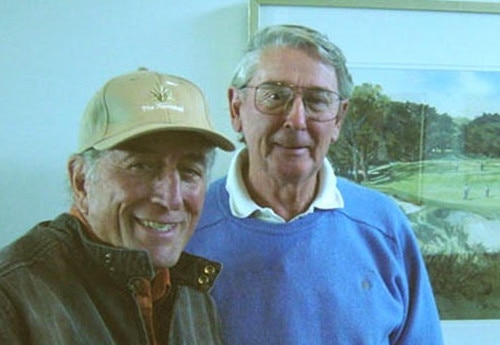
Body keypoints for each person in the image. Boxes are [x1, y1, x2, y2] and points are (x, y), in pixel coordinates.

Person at [185, 25, 443, 344]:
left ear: (338, 119)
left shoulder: (383, 225)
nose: (296, 119)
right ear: (236, 108)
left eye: (317, 100)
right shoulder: (186, 226)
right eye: (275, 95)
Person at [0, 68, 235, 344]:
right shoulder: (13, 297)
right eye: (142, 166)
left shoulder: (194, 297)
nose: (170, 198)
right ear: (81, 181)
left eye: (189, 171)